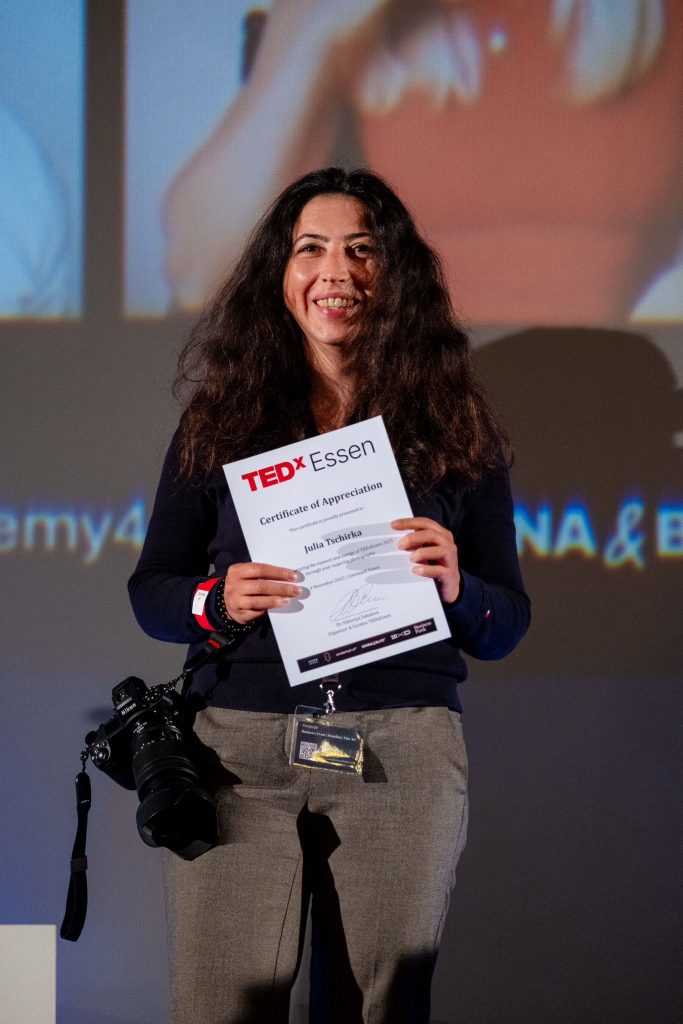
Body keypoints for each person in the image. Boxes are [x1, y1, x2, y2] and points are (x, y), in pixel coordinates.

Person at [129, 166, 530, 1024]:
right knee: (219, 1008)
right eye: (311, 249)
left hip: (402, 751)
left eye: (361, 250)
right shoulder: (222, 419)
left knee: (382, 1007)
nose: (335, 271)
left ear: (396, 277)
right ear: (280, 274)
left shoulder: (454, 423)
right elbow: (152, 590)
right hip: (236, 748)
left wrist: (459, 590)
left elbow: (506, 622)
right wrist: (215, 599)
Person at [162, 0, 683, 325]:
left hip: (616, 424)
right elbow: (199, 272)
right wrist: (313, 34)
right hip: (414, 417)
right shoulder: (343, 20)